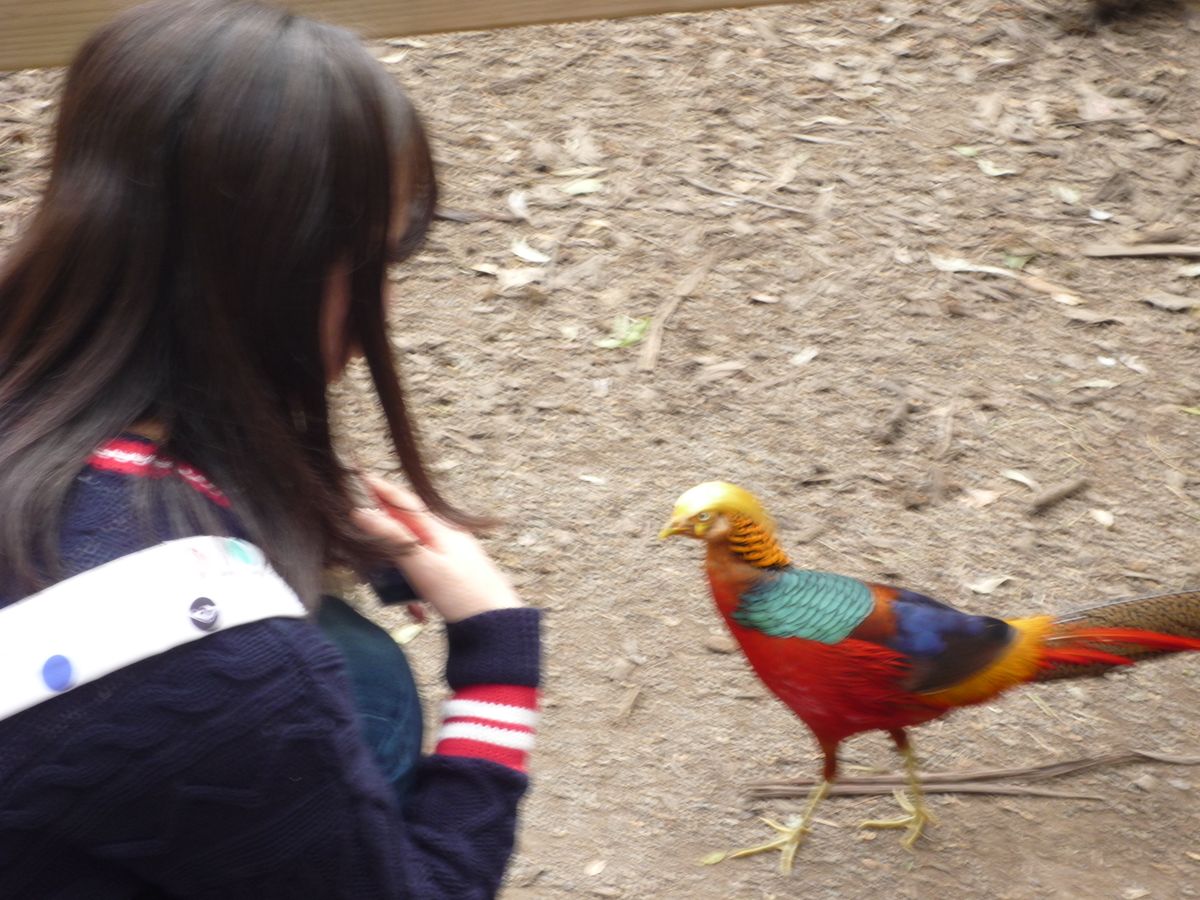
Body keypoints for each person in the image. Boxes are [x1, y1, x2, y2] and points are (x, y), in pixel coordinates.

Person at [0, 1, 540, 897]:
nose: (384, 307)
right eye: (375, 262)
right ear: (273, 272)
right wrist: (498, 650)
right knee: (367, 683)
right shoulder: (235, 677)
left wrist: (264, 508)